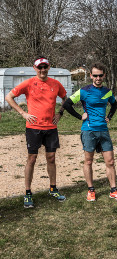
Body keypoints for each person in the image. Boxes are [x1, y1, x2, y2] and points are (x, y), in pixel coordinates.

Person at [5, 56, 67, 208]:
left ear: (49, 67)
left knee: (51, 158)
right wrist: (23, 113)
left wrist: (60, 113)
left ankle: (53, 189)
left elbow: (66, 98)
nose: (42, 70)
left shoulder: (56, 83)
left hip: (51, 128)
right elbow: (9, 97)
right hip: (33, 128)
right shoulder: (29, 83)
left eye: (45, 67)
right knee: (31, 159)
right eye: (40, 67)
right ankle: (28, 193)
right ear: (35, 68)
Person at [62, 63, 117, 202]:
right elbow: (67, 104)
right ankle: (91, 190)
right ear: (91, 76)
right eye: (95, 75)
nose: (98, 78)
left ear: (104, 75)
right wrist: (80, 117)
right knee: (89, 161)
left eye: (100, 75)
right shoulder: (84, 91)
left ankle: (113, 191)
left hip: (103, 130)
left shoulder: (107, 91)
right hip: (89, 130)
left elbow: (114, 104)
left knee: (110, 161)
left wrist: (109, 117)